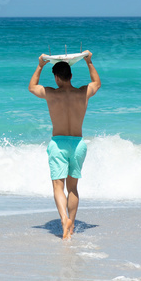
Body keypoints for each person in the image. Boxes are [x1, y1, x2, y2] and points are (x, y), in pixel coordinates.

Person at [28, 50, 100, 240]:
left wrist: (40, 65)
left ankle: (63, 220)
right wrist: (89, 61)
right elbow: (97, 83)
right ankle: (72, 224)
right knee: (73, 188)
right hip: (78, 144)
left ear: (56, 77)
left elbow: (32, 87)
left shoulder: (51, 93)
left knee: (58, 187)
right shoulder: (83, 93)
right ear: (71, 76)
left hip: (58, 143)